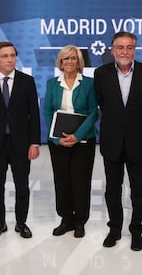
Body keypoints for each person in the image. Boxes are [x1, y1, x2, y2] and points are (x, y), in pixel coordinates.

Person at [94, 31, 142, 251]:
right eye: (120, 47)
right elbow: (101, 103)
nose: (125, 52)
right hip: (111, 141)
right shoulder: (101, 74)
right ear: (112, 50)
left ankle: (136, 230)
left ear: (135, 50)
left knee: (139, 189)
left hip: (139, 140)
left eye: (129, 47)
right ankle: (115, 229)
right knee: (112, 188)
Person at [0, 41, 41, 239]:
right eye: (5, 56)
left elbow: (34, 115)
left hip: (21, 143)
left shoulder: (27, 81)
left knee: (22, 184)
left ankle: (21, 223)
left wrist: (35, 142)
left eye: (12, 55)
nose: (10, 59)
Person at [43, 45, 98, 238]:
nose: (69, 62)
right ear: (60, 62)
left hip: (83, 141)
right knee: (62, 180)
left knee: (81, 180)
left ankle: (80, 221)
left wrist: (78, 135)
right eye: (66, 59)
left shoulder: (89, 83)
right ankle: (66, 219)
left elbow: (94, 112)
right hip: (58, 142)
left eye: (73, 58)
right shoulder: (52, 83)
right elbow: (48, 111)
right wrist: (56, 139)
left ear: (79, 62)